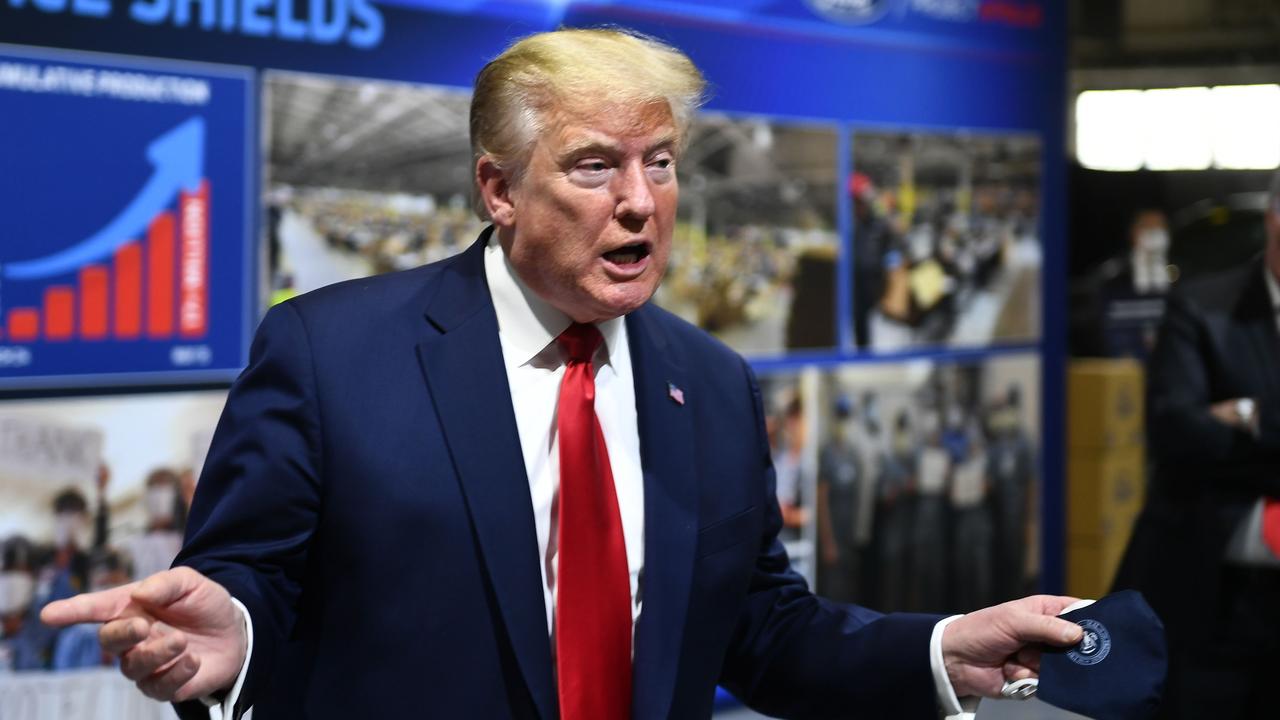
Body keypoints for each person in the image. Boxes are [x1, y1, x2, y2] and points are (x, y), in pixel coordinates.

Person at [42, 28, 1082, 720]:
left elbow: (760, 629)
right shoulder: (330, 354)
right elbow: (251, 583)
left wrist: (939, 652)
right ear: (497, 187)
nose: (641, 202)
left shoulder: (709, 383)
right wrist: (237, 635)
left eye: (660, 162)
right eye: (595, 165)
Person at [1114, 174, 1280, 719]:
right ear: (1273, 219)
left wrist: (1246, 414)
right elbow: (1176, 430)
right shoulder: (1203, 306)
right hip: (1213, 585)